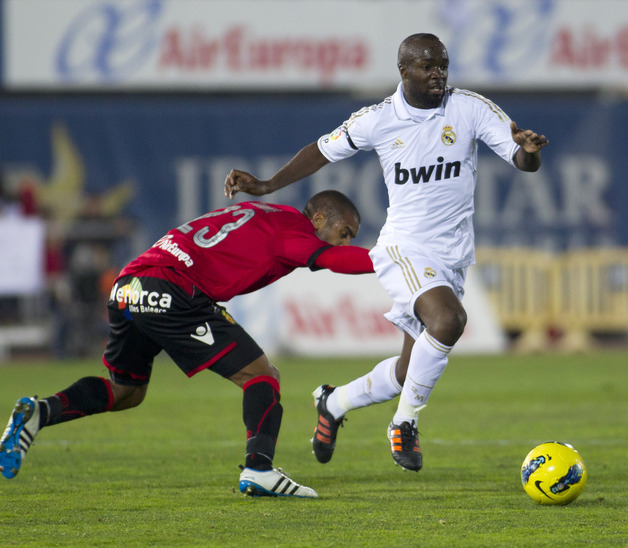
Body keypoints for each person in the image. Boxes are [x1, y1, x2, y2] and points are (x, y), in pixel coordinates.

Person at [224, 33, 549, 472]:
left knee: (407, 370)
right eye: (427, 66)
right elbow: (320, 151)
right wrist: (264, 186)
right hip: (404, 246)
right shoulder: (378, 119)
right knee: (448, 320)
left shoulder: (470, 108)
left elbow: (519, 156)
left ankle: (333, 402)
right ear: (404, 71)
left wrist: (529, 153)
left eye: (443, 65)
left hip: (450, 254)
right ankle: (404, 424)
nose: (438, 74)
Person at [0, 190, 374, 498]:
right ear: (320, 220)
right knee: (262, 375)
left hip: (129, 284)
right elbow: (333, 258)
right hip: (174, 288)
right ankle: (259, 469)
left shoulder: (265, 211)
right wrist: (390, 260)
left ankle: (40, 412)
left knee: (126, 391)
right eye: (345, 232)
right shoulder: (295, 232)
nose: (346, 241)